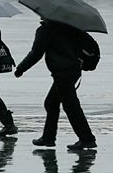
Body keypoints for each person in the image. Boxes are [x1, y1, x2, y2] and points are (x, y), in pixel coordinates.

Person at [15, 20, 97, 150]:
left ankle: (87, 138)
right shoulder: (71, 27)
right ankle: (48, 138)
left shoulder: (46, 30)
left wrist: (21, 68)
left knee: (70, 106)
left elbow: (36, 53)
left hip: (62, 73)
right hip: (73, 70)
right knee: (52, 103)